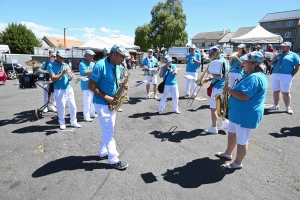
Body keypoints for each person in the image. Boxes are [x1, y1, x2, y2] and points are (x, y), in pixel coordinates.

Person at [215, 51, 268, 169]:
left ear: (254, 64)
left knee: (242, 140)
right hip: (238, 113)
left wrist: (229, 90)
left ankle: (237, 163)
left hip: (245, 115)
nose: (242, 63)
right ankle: (228, 153)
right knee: (232, 133)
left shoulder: (255, 77)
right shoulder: (250, 74)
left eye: (245, 62)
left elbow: (245, 96)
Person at [88, 44, 129, 170]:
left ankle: (103, 152)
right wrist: (106, 97)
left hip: (112, 102)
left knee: (107, 129)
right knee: (109, 131)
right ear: (114, 54)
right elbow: (91, 85)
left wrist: (122, 85)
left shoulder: (117, 65)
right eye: (122, 57)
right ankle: (113, 159)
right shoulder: (100, 66)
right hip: (102, 103)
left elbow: (114, 80)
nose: (123, 60)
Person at [48, 50, 81, 130]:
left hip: (68, 87)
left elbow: (69, 78)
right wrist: (62, 73)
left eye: (64, 58)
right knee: (61, 107)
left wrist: (71, 75)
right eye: (61, 58)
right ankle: (62, 122)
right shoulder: (51, 65)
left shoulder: (65, 64)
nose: (63, 59)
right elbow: (53, 78)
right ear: (57, 57)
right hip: (59, 89)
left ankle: (73, 121)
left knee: (73, 106)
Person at [202, 46, 230, 134]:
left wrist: (210, 73)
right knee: (220, 107)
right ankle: (225, 122)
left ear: (215, 53)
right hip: (222, 86)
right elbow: (221, 75)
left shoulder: (219, 61)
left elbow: (219, 76)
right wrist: (209, 78)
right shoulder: (225, 60)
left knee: (213, 108)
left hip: (218, 87)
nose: (210, 56)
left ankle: (214, 127)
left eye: (211, 54)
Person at [268, 41, 300, 114]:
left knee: (285, 92)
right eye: (282, 46)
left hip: (286, 75)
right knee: (276, 91)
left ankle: (287, 107)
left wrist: (291, 75)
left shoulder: (294, 55)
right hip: (275, 74)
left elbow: (298, 66)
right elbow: (270, 63)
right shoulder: (279, 55)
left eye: (284, 46)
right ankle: (276, 105)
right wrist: (273, 58)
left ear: (289, 47)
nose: (282, 47)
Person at [79, 50, 98, 122]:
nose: (92, 56)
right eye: (90, 55)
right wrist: (95, 69)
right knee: (87, 101)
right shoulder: (82, 64)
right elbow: (86, 73)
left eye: (93, 55)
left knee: (93, 100)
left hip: (93, 84)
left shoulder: (93, 63)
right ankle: (86, 116)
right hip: (86, 85)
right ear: (86, 56)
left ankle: (92, 113)